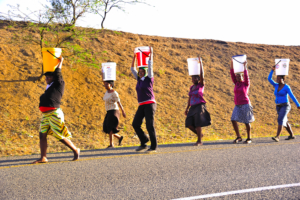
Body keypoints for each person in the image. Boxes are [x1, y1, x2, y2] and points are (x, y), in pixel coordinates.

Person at [33, 57, 80, 164]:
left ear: (54, 78)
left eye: (49, 77)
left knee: (58, 134)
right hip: (46, 115)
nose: (46, 78)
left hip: (54, 113)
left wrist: (60, 62)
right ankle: (43, 157)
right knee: (42, 134)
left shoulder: (59, 84)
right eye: (46, 77)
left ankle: (75, 149)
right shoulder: (49, 87)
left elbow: (58, 73)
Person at [131, 47, 157, 153]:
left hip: (150, 104)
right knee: (135, 124)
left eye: (142, 71)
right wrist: (134, 57)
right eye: (139, 71)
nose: (140, 72)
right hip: (141, 105)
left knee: (149, 125)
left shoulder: (149, 78)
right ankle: (144, 141)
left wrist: (151, 53)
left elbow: (150, 65)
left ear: (145, 72)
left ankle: (153, 147)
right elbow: (132, 69)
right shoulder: (138, 79)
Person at [268, 65, 300, 142]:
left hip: (285, 105)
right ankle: (292, 135)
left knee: (280, 119)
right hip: (278, 106)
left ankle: (277, 137)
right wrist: (272, 70)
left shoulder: (286, 87)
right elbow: (269, 79)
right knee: (284, 121)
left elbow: (292, 96)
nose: (277, 79)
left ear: (283, 79)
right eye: (277, 78)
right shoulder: (275, 85)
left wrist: (298, 105)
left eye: (279, 78)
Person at [185, 57, 211, 146]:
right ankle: (200, 135)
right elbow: (189, 98)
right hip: (192, 107)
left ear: (198, 79)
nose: (193, 79)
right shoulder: (191, 87)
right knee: (188, 123)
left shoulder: (201, 85)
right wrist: (187, 108)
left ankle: (199, 141)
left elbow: (202, 75)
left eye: (195, 78)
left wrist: (201, 64)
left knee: (198, 123)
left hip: (200, 106)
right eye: (192, 78)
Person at [230, 59, 255, 144]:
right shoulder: (236, 83)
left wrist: (245, 66)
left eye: (239, 76)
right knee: (233, 119)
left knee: (246, 121)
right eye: (236, 77)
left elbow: (246, 75)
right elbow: (232, 73)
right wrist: (232, 63)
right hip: (237, 105)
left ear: (242, 77)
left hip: (245, 104)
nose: (237, 78)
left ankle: (249, 138)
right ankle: (239, 137)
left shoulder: (246, 83)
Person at [102, 80, 126, 148]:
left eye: (107, 84)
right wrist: (102, 74)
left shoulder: (114, 93)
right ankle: (119, 137)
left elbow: (119, 102)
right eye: (105, 84)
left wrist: (123, 111)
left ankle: (111, 144)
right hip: (109, 111)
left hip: (114, 111)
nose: (105, 85)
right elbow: (103, 80)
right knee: (106, 127)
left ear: (111, 85)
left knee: (110, 127)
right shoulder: (106, 92)